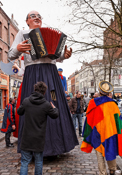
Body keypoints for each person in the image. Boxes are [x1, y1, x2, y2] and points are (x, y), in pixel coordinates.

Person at [8, 10, 78, 156]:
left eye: (39, 16)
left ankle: (57, 145)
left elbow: (56, 56)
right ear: (27, 21)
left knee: (53, 101)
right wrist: (18, 49)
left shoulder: (48, 34)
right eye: (33, 16)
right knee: (32, 107)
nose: (37, 18)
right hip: (33, 74)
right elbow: (10, 54)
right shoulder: (23, 33)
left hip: (50, 76)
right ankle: (32, 147)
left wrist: (64, 57)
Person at [17, 81, 59, 175]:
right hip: (39, 139)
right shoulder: (46, 105)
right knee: (39, 162)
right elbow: (55, 115)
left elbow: (19, 112)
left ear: (34, 90)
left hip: (26, 138)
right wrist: (54, 108)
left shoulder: (26, 101)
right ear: (44, 92)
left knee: (24, 163)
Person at [81, 81, 122, 175]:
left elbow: (88, 118)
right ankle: (112, 170)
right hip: (110, 132)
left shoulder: (93, 103)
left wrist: (86, 133)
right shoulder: (113, 104)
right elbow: (118, 121)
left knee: (99, 154)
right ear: (109, 92)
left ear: (99, 91)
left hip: (97, 133)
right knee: (110, 149)